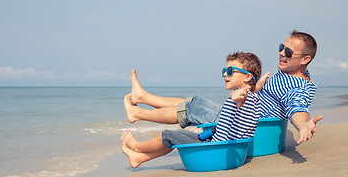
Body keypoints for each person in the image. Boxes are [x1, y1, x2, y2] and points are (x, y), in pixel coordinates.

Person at [124, 30, 323, 145]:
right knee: (198, 102)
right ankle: (143, 98)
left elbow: (297, 107)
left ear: (306, 59)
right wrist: (259, 88)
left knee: (194, 110)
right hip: (243, 111)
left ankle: (138, 114)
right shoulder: (289, 73)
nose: (281, 53)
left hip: (245, 125)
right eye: (282, 47)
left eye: (288, 52)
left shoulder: (298, 87)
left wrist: (304, 125)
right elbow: (273, 99)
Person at [122, 52, 262, 168]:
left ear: (248, 77)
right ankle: (139, 158)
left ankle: (137, 147)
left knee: (168, 135)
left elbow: (240, 104)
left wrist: (235, 99)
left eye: (230, 71)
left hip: (217, 150)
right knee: (178, 137)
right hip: (218, 143)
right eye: (224, 71)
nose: (225, 74)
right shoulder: (253, 96)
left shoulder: (243, 97)